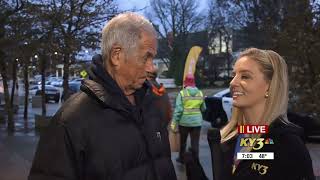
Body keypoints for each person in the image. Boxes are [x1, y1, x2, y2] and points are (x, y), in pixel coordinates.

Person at [28, 12, 177, 180]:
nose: (153, 68)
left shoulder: (151, 104)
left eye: (153, 58)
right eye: (146, 57)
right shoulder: (71, 121)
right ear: (117, 56)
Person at [215, 48, 314, 179]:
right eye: (234, 75)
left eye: (245, 76)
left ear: (269, 86)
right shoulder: (230, 137)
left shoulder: (287, 144)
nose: (232, 82)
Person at [171, 74, 206, 163]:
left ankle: (182, 158)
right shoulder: (200, 93)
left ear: (185, 82)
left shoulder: (182, 93)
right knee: (195, 143)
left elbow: (178, 110)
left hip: (184, 122)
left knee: (183, 142)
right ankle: (195, 160)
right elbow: (204, 108)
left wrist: (174, 123)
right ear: (194, 82)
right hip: (197, 123)